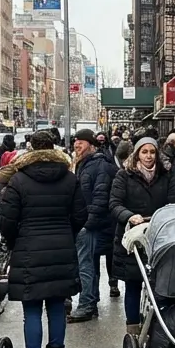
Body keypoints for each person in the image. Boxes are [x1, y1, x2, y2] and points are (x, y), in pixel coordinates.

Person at [0, 130, 88, 348]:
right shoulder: (69, 179)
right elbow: (81, 215)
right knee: (57, 308)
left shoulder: (19, 180)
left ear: (30, 149)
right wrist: (65, 234)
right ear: (54, 147)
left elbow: (8, 220)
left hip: (28, 249)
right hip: (62, 247)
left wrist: (17, 242)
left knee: (33, 310)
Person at [109, 137, 175, 337]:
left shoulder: (165, 175)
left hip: (160, 236)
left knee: (160, 282)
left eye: (152, 152)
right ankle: (133, 328)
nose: (149, 156)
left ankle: (159, 324)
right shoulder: (124, 176)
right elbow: (114, 203)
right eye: (144, 152)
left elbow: (174, 199)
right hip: (133, 238)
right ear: (137, 154)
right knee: (133, 283)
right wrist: (129, 216)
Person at [69, 129, 116, 323]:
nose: (77, 145)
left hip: (94, 224)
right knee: (90, 264)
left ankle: (86, 304)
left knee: (86, 264)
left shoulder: (100, 166)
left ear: (92, 145)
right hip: (90, 222)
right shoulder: (85, 164)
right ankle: (91, 300)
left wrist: (86, 224)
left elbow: (101, 197)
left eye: (81, 142)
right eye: (75, 142)